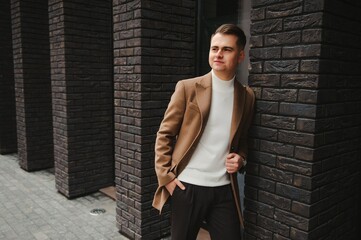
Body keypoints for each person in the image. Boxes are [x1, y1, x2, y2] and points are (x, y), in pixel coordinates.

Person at [152, 23, 255, 240]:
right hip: (187, 187)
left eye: (226, 49)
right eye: (214, 48)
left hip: (225, 190)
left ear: (240, 55)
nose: (218, 54)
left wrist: (241, 159)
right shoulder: (188, 88)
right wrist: (167, 178)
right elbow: (165, 134)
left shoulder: (247, 96)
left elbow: (243, 140)